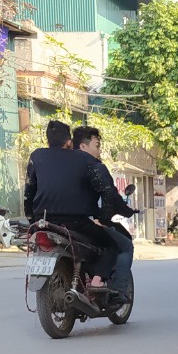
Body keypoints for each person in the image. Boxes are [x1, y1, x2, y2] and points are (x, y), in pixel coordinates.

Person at [24, 121, 116, 288]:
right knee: (111, 245)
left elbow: (29, 192)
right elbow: (106, 190)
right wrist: (103, 218)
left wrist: (33, 221)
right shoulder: (83, 159)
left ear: (48, 141)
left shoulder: (36, 156)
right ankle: (97, 281)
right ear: (69, 142)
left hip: (43, 221)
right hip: (76, 223)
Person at [71, 125, 136, 303]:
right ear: (83, 146)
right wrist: (103, 219)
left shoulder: (60, 164)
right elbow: (110, 194)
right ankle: (117, 291)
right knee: (123, 245)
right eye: (97, 146)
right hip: (84, 221)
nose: (99, 151)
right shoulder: (93, 165)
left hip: (54, 219)